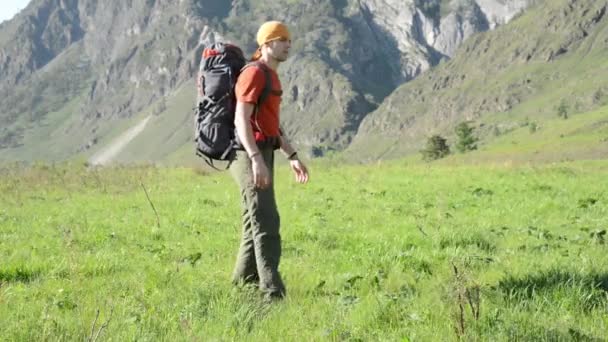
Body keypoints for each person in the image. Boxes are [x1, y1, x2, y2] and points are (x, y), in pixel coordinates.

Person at [231, 21, 309, 300]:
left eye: (289, 40)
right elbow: (241, 118)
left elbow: (272, 124)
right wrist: (255, 159)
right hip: (247, 153)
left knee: (254, 223)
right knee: (266, 220)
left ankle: (241, 287)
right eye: (282, 40)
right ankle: (272, 293)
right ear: (266, 44)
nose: (288, 45)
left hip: (263, 152)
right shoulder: (253, 74)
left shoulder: (272, 77)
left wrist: (292, 156)